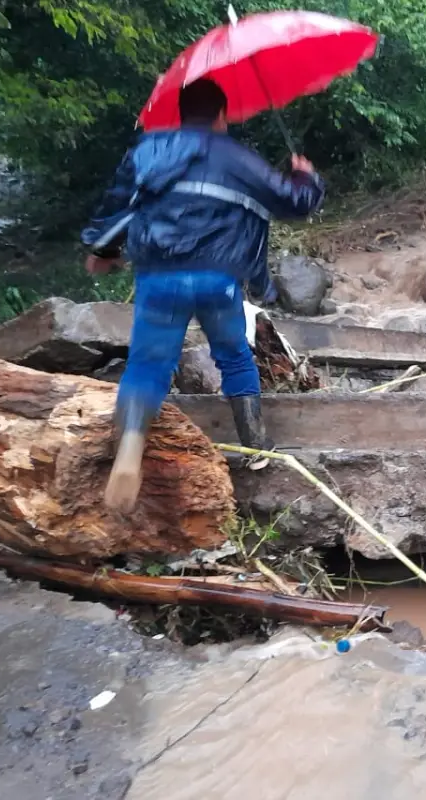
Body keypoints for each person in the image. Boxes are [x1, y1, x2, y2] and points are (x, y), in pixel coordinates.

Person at [81, 77, 326, 513]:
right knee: (233, 355)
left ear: (179, 113)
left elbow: (117, 205)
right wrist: (306, 178)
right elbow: (294, 203)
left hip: (160, 278)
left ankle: (131, 445)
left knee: (148, 363)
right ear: (221, 116)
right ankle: (256, 445)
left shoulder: (148, 150)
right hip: (218, 279)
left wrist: (103, 250)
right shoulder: (236, 157)